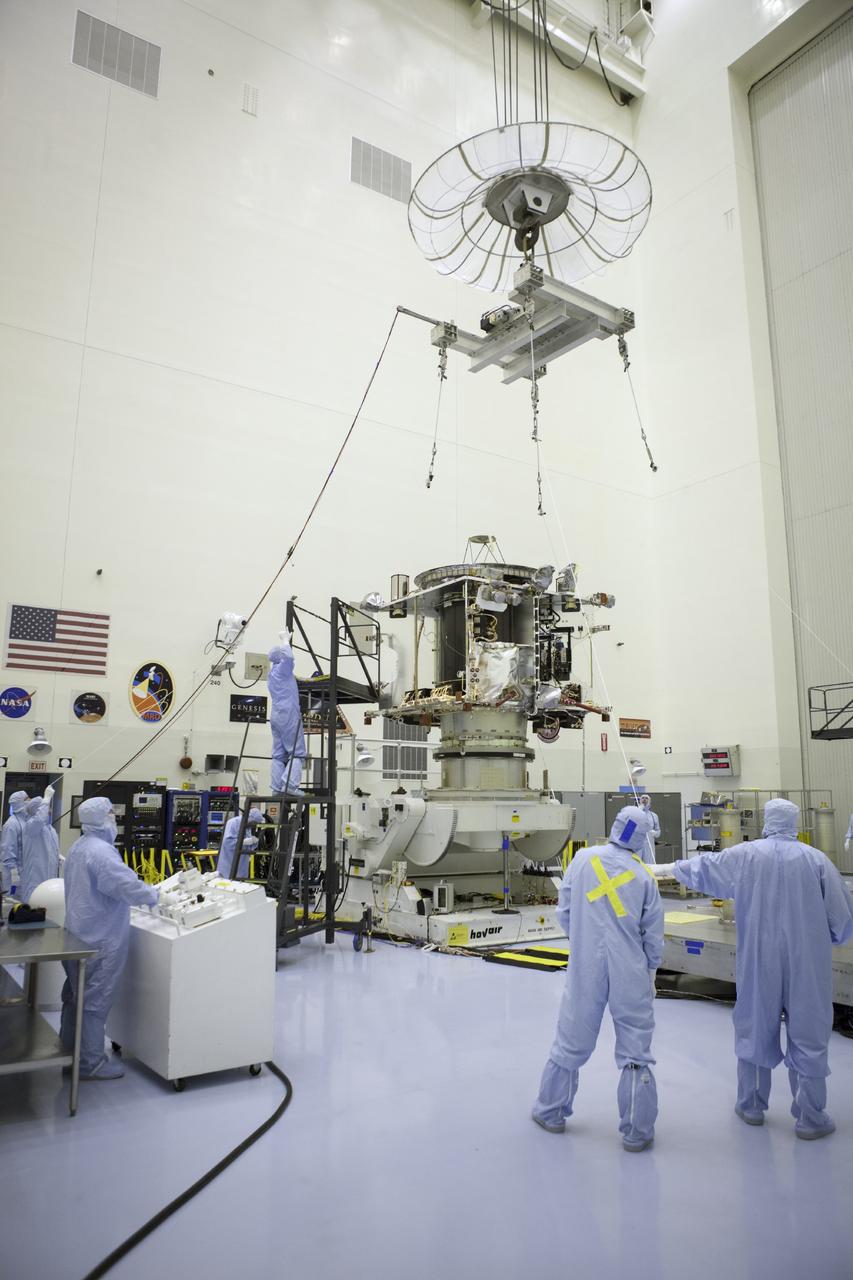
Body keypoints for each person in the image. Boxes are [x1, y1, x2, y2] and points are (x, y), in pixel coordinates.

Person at [670, 798, 853, 1139]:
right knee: (809, 1030)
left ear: (767, 820)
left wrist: (670, 867)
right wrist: (828, 935)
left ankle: (751, 1106)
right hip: (807, 961)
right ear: (795, 822)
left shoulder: (747, 855)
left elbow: (706, 868)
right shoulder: (816, 860)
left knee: (755, 1024)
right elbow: (841, 919)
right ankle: (810, 1118)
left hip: (759, 957)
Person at [532, 806, 664, 1152]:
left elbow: (564, 909)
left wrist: (582, 938)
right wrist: (649, 971)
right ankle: (637, 1131)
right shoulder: (642, 875)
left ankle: (551, 1111)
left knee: (572, 1034)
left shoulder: (584, 859)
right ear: (640, 837)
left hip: (586, 962)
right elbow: (653, 934)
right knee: (636, 1046)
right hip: (630, 968)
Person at [60, 795, 158, 1080]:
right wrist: (155, 894)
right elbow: (125, 885)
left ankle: (69, 1053)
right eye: (112, 814)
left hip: (78, 935)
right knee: (94, 1002)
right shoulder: (101, 852)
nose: (115, 819)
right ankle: (90, 1063)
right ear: (102, 818)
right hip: (100, 940)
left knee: (74, 998)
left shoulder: (79, 847)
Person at [268, 641, 306, 796]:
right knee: (297, 752)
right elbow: (289, 657)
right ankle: (290, 784)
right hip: (288, 713)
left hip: (276, 714)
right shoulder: (283, 670)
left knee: (278, 754)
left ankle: (276, 787)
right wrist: (285, 641)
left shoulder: (271, 674)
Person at [19, 788, 60, 903]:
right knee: (33, 905)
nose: (50, 810)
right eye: (47, 807)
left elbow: (50, 848)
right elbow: (39, 819)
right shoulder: (31, 826)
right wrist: (46, 799)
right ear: (38, 810)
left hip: (48, 878)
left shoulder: (50, 829)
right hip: (35, 878)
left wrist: (58, 856)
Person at [217, 807, 264, 878]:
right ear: (249, 818)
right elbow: (227, 843)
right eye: (254, 823)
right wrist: (245, 841)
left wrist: (254, 842)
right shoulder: (233, 822)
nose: (254, 825)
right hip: (229, 862)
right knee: (228, 885)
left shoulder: (247, 826)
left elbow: (248, 847)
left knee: (240, 884)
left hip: (242, 864)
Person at [0, 790, 32, 896]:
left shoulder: (27, 821)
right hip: (13, 875)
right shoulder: (11, 824)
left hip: (25, 872)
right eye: (26, 799)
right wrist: (13, 872)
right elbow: (7, 850)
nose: (29, 800)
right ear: (20, 803)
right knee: (12, 903)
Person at [638, 793, 660, 864]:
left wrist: (655, 833)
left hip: (649, 845)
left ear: (650, 801)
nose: (644, 799)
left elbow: (658, 832)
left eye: (646, 798)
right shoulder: (634, 813)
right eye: (642, 798)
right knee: (637, 865)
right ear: (639, 801)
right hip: (637, 845)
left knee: (649, 865)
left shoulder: (654, 816)